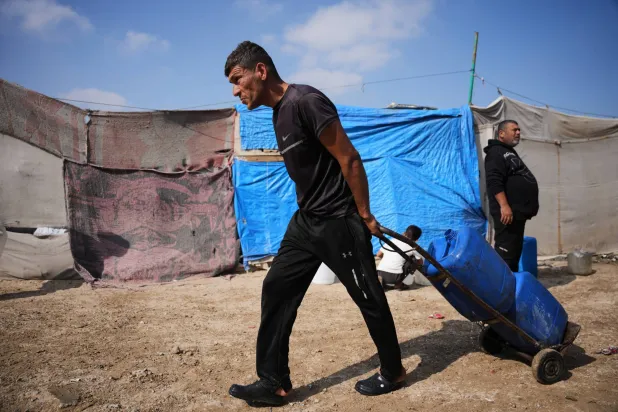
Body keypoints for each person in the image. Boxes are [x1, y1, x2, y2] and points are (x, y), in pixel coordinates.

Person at [224, 41, 405, 406]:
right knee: (276, 287)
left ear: (260, 71)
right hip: (307, 221)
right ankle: (273, 381)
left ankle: (392, 370)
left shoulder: (307, 101)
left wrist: (364, 215)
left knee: (367, 295)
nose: (235, 90)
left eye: (238, 79)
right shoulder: (278, 114)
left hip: (339, 219)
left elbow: (349, 158)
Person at [484, 120, 539, 272]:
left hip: (516, 214)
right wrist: (504, 205)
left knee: (514, 253)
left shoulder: (506, 151)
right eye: (514, 130)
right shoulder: (495, 152)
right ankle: (499, 286)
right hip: (507, 213)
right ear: (501, 133)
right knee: (506, 253)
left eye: (519, 130)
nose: (518, 133)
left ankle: (510, 283)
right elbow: (494, 181)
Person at [376, 225, 424, 290]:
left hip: (380, 273)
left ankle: (385, 283)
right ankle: (400, 284)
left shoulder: (392, 241)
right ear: (417, 239)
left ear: (404, 233)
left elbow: (378, 254)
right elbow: (420, 263)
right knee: (414, 260)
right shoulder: (413, 247)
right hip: (395, 277)